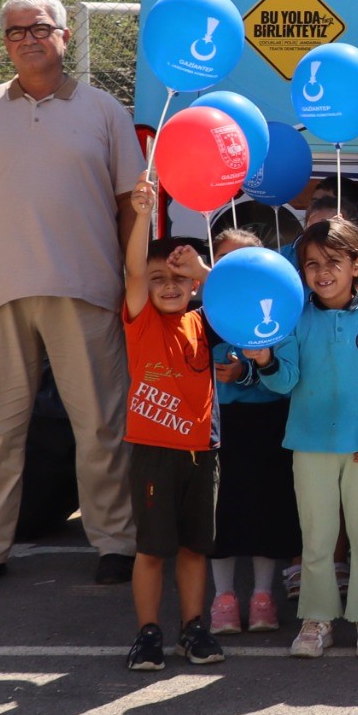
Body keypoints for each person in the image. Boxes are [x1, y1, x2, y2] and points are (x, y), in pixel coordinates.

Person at [0, 0, 146, 591]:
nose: (27, 39)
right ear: (5, 43)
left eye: (39, 28)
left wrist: (131, 289)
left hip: (87, 289)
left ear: (64, 36)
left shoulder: (105, 112)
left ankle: (116, 544)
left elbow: (132, 209)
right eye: (14, 32)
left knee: (100, 427)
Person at [234, 217, 358, 659]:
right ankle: (317, 619)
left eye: (332, 261)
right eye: (311, 264)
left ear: (356, 263)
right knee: (317, 538)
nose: (321, 272)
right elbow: (284, 382)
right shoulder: (294, 318)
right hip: (309, 445)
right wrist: (267, 359)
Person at [118, 183, 221, 671]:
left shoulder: (204, 321)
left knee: (194, 548)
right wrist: (142, 216)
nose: (168, 285)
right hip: (153, 452)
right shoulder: (140, 320)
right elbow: (135, 269)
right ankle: (148, 633)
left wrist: (201, 268)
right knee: (153, 550)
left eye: (179, 277)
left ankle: (194, 630)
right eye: (159, 278)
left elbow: (236, 294)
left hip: (203, 453)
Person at [207, 229, 298, 634]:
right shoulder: (204, 314)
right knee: (218, 513)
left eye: (247, 262)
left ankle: (263, 596)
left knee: (266, 510)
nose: (237, 271)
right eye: (226, 261)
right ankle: (222, 597)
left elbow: (284, 374)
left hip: (267, 424)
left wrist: (248, 372)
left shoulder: (280, 315)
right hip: (217, 425)